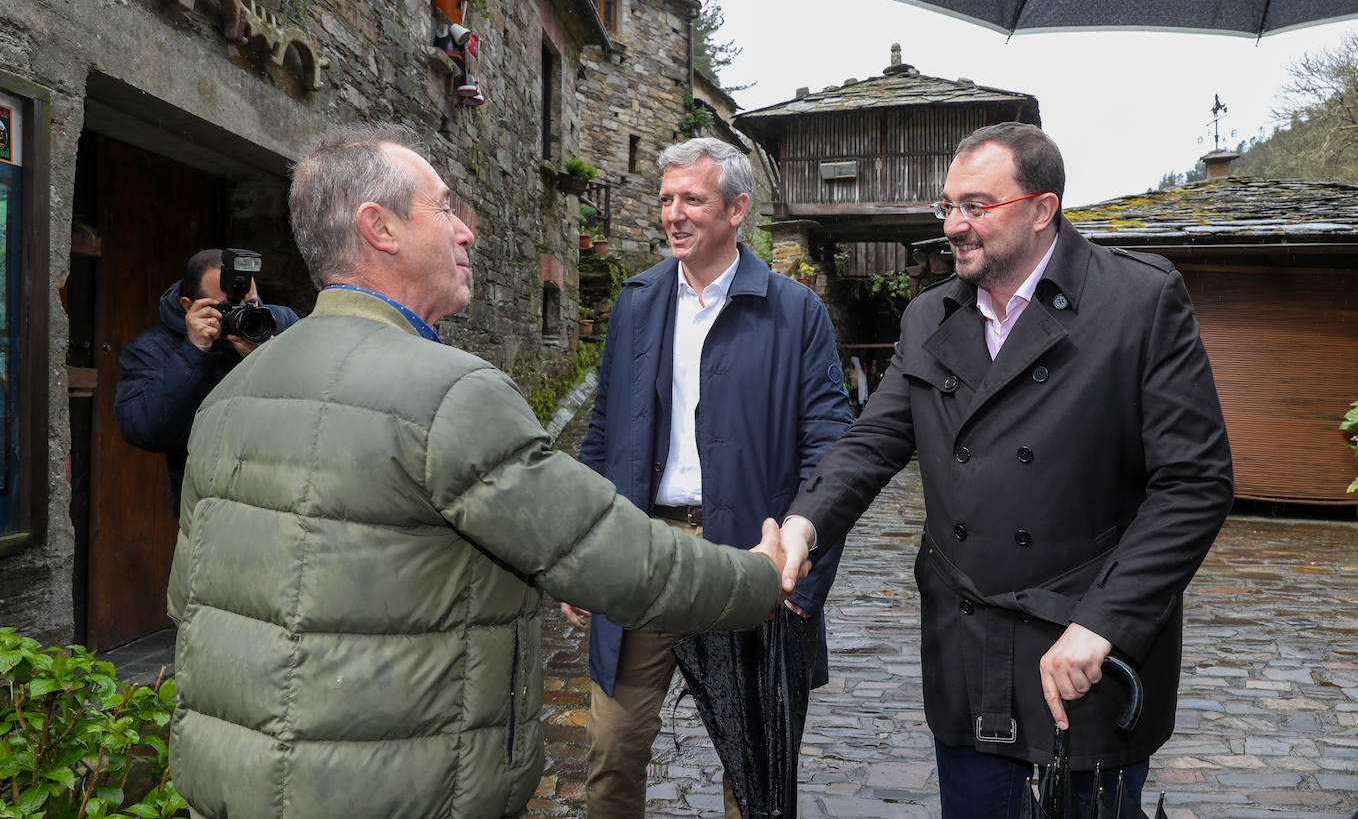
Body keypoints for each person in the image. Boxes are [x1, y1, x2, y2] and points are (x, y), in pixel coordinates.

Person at [164, 124, 788, 819]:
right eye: (445, 208)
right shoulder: (452, 394)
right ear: (380, 228)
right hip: (401, 788)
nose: (466, 233)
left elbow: (189, 604)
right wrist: (760, 575)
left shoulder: (226, 397)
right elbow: (618, 557)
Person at [778, 122, 1233, 817]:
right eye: (947, 207)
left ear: (1041, 208)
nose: (954, 225)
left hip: (1082, 652)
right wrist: (802, 526)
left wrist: (1103, 622)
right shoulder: (931, 315)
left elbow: (1194, 484)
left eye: (975, 207)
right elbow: (872, 441)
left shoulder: (1138, 302)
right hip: (967, 645)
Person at [560, 137, 853, 818]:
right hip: (644, 553)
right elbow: (602, 432)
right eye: (665, 199)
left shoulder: (795, 311)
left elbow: (830, 449)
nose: (674, 214)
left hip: (748, 557)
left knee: (752, 772)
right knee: (611, 753)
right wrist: (575, 549)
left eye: (692, 199)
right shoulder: (635, 302)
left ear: (737, 210)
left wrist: (801, 569)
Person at [115, 248, 298, 510]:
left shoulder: (278, 325)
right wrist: (194, 352)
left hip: (280, 499)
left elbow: (322, 404)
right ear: (189, 306)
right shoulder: (153, 349)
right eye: (224, 307)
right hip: (205, 506)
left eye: (251, 304)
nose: (241, 315)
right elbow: (145, 431)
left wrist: (271, 360)